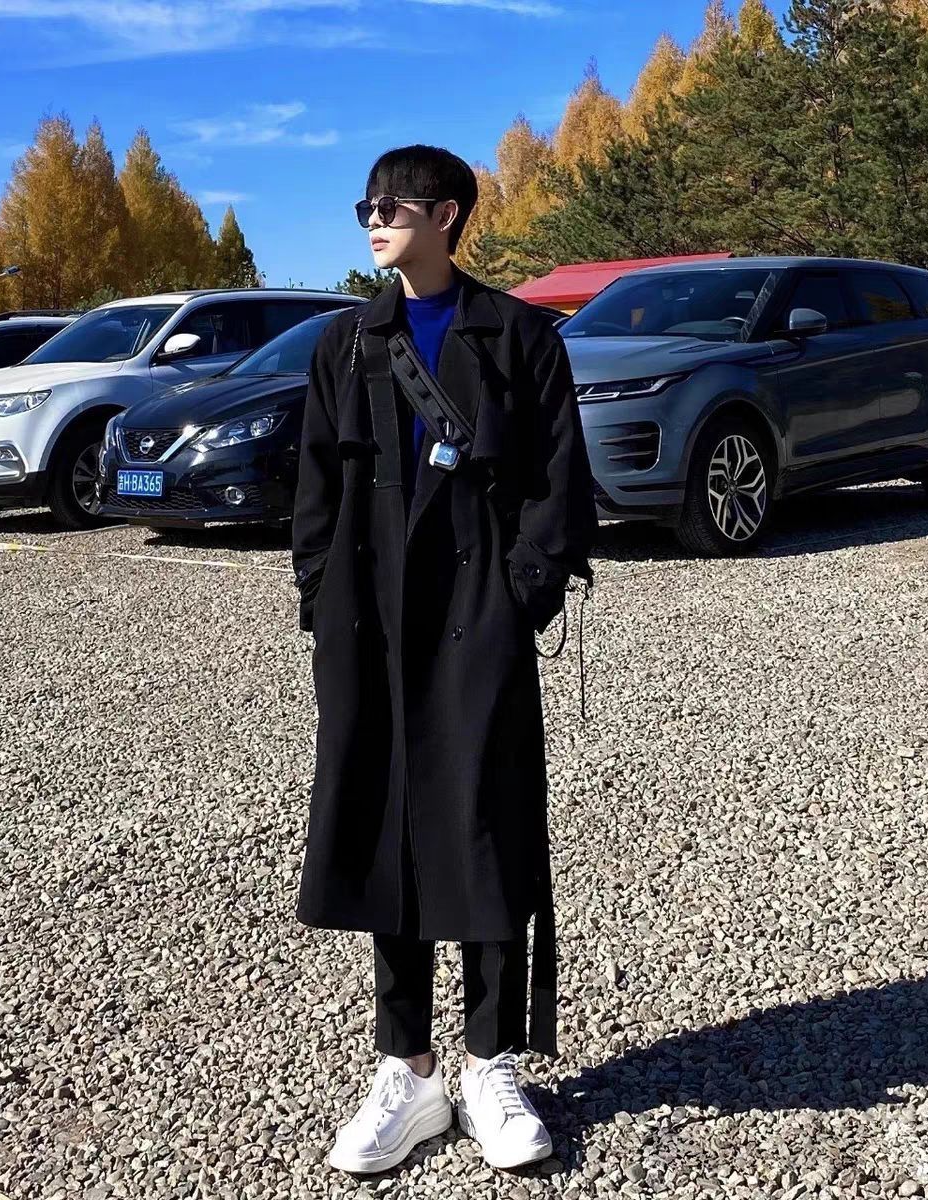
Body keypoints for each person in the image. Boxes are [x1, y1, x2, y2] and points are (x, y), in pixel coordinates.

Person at [291, 144, 596, 1175]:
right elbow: (315, 488)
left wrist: (520, 595)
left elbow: (559, 483)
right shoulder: (347, 342)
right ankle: (408, 1069)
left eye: (395, 204)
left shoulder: (519, 335)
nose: (375, 220)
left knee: (486, 822)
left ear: (449, 215)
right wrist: (321, 596)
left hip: (479, 619)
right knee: (388, 829)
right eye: (367, 205)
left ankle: (489, 1065)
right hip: (369, 624)